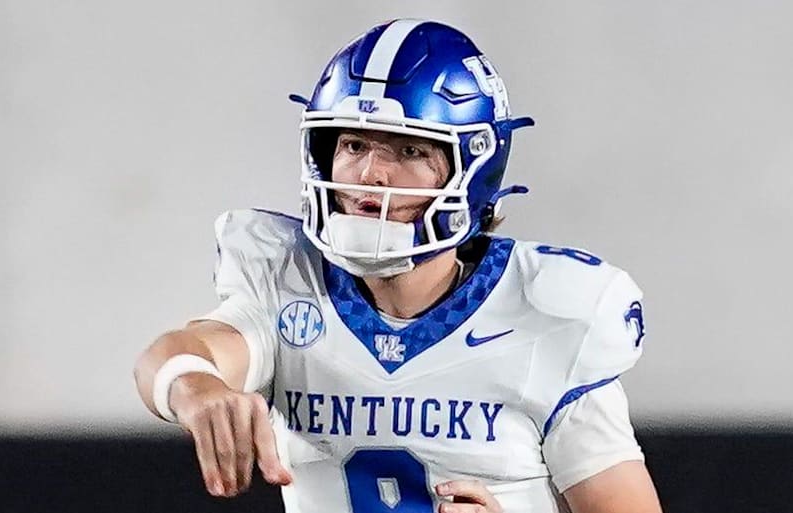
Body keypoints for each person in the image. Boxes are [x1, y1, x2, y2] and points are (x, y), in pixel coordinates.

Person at [134, 19, 662, 513]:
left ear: (472, 170)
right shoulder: (289, 283)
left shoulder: (546, 316)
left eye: (409, 150)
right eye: (353, 143)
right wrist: (196, 386)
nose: (370, 175)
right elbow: (180, 352)